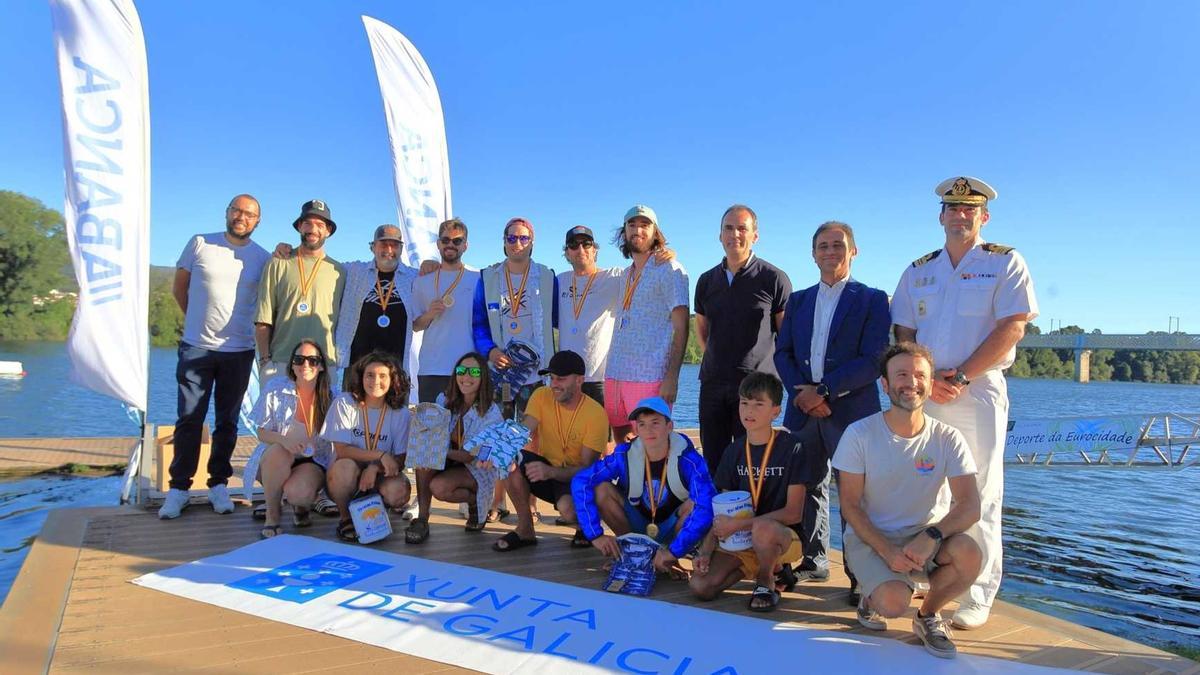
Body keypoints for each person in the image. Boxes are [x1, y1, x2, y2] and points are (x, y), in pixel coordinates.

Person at [890, 176, 1038, 629]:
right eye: (952, 209)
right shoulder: (920, 270)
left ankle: (979, 590)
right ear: (941, 216)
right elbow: (904, 332)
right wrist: (925, 379)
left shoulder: (1004, 262)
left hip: (978, 392)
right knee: (925, 486)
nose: (960, 216)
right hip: (926, 390)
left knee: (982, 492)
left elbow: (1013, 325)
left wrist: (963, 375)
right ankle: (927, 571)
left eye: (969, 209)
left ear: (983, 217)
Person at [833, 342, 982, 659]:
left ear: (930, 384)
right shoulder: (859, 434)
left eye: (919, 375)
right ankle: (872, 595)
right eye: (901, 374)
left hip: (924, 536)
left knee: (970, 554)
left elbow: (970, 505)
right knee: (892, 604)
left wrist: (932, 535)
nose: (911, 382)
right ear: (885, 384)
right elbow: (850, 506)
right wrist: (887, 552)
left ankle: (928, 615)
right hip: (873, 536)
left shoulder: (948, 438)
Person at [774, 221, 890, 592]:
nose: (830, 252)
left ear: (853, 251)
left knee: (855, 494)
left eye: (838, 245)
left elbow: (874, 359)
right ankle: (815, 559)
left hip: (852, 411)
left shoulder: (872, 299)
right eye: (822, 246)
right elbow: (783, 353)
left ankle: (859, 574)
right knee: (808, 485)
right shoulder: (799, 300)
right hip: (803, 409)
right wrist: (802, 393)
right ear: (812, 253)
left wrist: (824, 391)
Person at [159, 194, 272, 520]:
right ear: (227, 213)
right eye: (237, 210)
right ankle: (179, 488)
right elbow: (180, 289)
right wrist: (196, 321)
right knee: (190, 418)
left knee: (227, 422)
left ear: (257, 222)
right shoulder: (199, 243)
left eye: (249, 214)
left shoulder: (261, 258)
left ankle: (218, 484)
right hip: (197, 347)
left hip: (238, 351)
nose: (242, 217)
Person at [689, 372, 823, 612]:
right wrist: (706, 550)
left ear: (775, 411)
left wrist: (738, 526)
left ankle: (766, 581)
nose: (749, 411)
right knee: (701, 587)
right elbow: (722, 509)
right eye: (744, 403)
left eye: (758, 404)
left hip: (783, 536)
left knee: (763, 529)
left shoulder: (793, 447)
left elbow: (793, 513)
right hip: (742, 537)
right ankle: (775, 571)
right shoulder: (734, 451)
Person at [694, 204, 792, 474]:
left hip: (755, 388)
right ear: (720, 235)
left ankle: (754, 516)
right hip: (713, 385)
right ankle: (717, 515)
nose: (734, 234)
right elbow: (701, 328)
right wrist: (714, 357)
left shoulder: (774, 278)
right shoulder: (706, 280)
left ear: (754, 236)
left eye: (742, 228)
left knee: (752, 462)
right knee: (714, 460)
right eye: (728, 228)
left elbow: (786, 336)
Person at [572, 397, 716, 576]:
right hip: (637, 523)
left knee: (697, 504)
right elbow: (581, 481)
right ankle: (629, 554)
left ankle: (669, 559)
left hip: (671, 527)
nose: (648, 430)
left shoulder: (689, 460)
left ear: (669, 426)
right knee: (601, 489)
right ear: (636, 429)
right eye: (642, 424)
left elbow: (706, 505)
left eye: (655, 423)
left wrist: (673, 552)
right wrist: (595, 535)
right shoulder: (623, 455)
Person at [493, 350, 607, 552]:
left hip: (576, 479)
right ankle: (525, 529)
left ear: (579, 380)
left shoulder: (596, 413)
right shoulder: (541, 395)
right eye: (552, 378)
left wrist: (551, 472)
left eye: (561, 379)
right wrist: (493, 450)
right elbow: (522, 430)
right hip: (547, 472)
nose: (554, 384)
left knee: (568, 510)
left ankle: (585, 527)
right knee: (508, 458)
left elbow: (587, 469)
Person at [604, 205, 689, 441]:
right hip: (616, 372)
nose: (637, 230)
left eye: (645, 225)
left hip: (649, 376)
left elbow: (682, 327)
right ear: (624, 232)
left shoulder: (670, 269)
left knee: (653, 444)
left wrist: (672, 377)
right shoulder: (624, 274)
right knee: (622, 441)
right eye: (632, 225)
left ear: (655, 233)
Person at [408, 352, 504, 543]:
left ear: (483, 377)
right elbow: (430, 432)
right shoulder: (444, 400)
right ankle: (422, 520)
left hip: (477, 467)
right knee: (424, 458)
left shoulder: (490, 412)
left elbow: (469, 456)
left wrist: (437, 449)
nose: (466, 377)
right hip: (449, 457)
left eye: (474, 372)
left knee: (439, 487)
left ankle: (475, 501)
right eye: (461, 370)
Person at [322, 351, 413, 542]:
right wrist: (380, 455)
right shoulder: (345, 402)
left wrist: (374, 467)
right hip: (345, 474)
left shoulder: (401, 413)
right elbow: (341, 450)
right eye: (370, 375)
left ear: (393, 380)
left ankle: (374, 510)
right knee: (343, 467)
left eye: (382, 376)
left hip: (378, 475)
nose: (375, 381)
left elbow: (400, 458)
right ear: (361, 377)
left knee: (399, 490)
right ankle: (346, 518)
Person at [472, 217, 558, 419]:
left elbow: (559, 319)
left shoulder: (548, 277)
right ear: (504, 242)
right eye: (511, 238)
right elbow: (479, 324)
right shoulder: (488, 277)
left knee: (535, 437)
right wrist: (490, 351)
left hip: (537, 375)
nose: (517, 244)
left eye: (523, 238)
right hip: (501, 372)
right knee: (498, 432)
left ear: (532, 243)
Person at [247, 339, 334, 538]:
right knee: (278, 452)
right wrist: (284, 440)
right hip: (276, 460)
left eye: (312, 360)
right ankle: (273, 515)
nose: (305, 365)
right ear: (292, 365)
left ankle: (300, 507)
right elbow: (261, 432)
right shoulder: (275, 389)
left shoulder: (332, 397)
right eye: (299, 359)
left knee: (299, 494)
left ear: (321, 366)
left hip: (310, 462)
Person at [254, 199, 345, 381]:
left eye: (320, 225)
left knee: (321, 411)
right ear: (299, 227)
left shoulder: (339, 271)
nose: (313, 229)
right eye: (307, 223)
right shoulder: (278, 262)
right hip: (281, 364)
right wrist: (265, 361)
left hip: (323, 366)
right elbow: (263, 318)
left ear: (328, 231)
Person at [333, 224, 418, 389]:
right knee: (352, 413)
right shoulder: (354, 271)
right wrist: (288, 251)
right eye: (383, 244)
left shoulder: (414, 277)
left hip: (396, 368)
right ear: (372, 247)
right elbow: (322, 262)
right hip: (357, 366)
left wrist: (432, 264)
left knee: (395, 414)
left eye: (394, 244)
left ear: (401, 248)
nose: (388, 249)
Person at [412, 218, 480, 403]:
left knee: (466, 429)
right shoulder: (423, 280)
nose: (450, 244)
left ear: (465, 245)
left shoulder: (478, 278)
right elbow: (415, 325)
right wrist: (429, 315)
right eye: (445, 240)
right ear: (438, 244)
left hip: (467, 368)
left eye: (457, 241)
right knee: (432, 428)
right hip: (432, 367)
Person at [556, 226, 622, 405]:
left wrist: (663, 254)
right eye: (573, 245)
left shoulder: (614, 277)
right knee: (566, 432)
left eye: (586, 244)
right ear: (567, 253)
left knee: (601, 432)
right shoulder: (559, 280)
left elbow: (642, 270)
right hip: (566, 377)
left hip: (599, 377)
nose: (580, 250)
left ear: (595, 250)